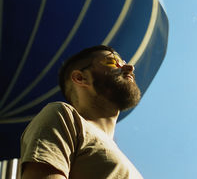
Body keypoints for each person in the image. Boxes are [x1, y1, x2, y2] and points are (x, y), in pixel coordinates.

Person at [21, 45, 143, 179]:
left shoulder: (131, 168)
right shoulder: (64, 117)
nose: (129, 68)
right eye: (113, 62)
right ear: (80, 78)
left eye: (124, 63)